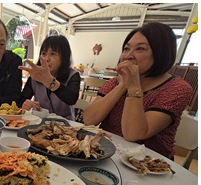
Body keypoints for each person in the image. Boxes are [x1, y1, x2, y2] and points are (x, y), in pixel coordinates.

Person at [83, 22, 193, 160]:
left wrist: (133, 87)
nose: (128, 56)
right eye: (126, 49)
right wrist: (122, 86)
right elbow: (89, 119)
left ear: (161, 53)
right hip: (107, 155)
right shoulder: (114, 83)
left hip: (149, 165)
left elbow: (133, 134)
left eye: (140, 49)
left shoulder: (177, 88)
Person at [19, 35, 81, 120]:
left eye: (53, 54)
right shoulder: (35, 75)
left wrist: (49, 81)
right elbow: (22, 100)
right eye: (44, 53)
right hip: (38, 122)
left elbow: (72, 99)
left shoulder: (73, 75)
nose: (46, 59)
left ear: (64, 57)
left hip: (65, 125)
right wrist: (25, 104)